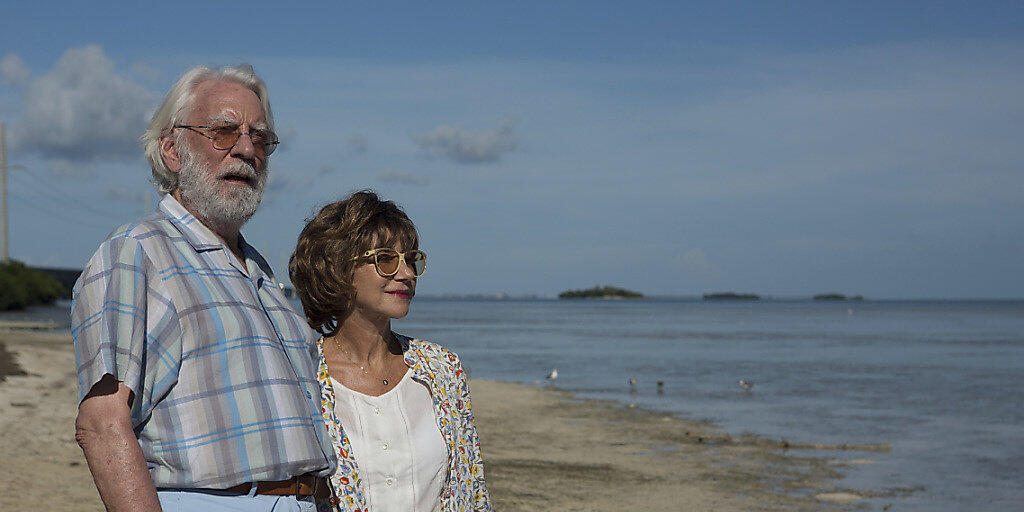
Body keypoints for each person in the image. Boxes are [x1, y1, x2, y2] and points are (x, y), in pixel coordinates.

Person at [72, 64, 336, 512]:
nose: (246, 149)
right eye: (223, 132)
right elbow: (101, 424)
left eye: (260, 138)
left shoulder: (259, 271)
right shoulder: (138, 251)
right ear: (172, 150)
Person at [289, 191, 492, 512]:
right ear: (338, 268)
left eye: (410, 259)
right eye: (386, 259)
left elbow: (472, 488)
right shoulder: (302, 377)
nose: (407, 273)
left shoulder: (442, 369)